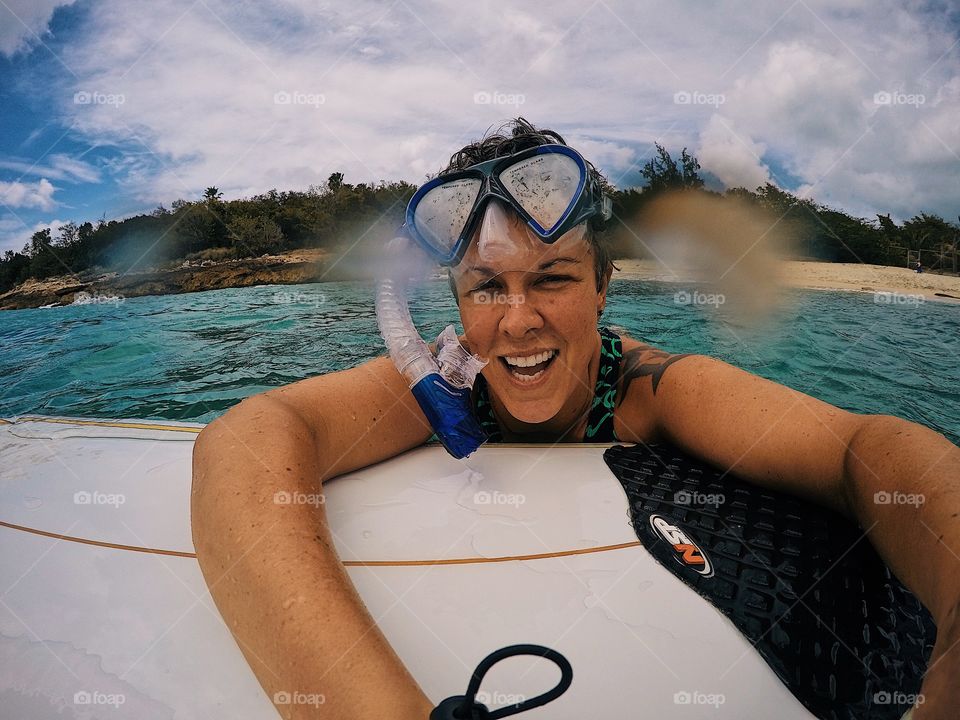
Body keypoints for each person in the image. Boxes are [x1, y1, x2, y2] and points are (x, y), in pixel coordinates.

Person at [191, 119, 960, 720]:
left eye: (552, 279)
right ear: (457, 304)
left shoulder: (645, 387)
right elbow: (248, 438)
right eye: (487, 287)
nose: (518, 322)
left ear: (602, 288)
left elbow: (862, 450)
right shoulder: (445, 377)